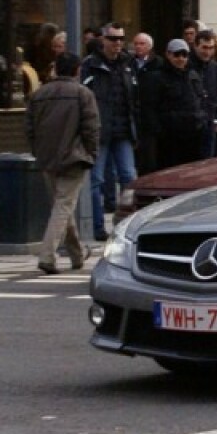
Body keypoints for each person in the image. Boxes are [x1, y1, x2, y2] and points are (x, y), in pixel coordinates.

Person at [26, 52, 99, 275]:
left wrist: (38, 151)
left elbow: (30, 129)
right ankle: (48, 255)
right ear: (77, 70)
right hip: (74, 158)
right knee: (63, 206)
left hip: (47, 158)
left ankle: (77, 255)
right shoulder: (82, 93)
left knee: (61, 205)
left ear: (56, 69)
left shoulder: (39, 94)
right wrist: (92, 153)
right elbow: (91, 128)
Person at [80, 21, 138, 242]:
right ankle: (97, 227)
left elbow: (134, 98)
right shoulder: (91, 65)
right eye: (113, 39)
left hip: (123, 129)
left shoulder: (127, 63)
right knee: (96, 180)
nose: (118, 44)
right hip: (100, 130)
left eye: (121, 39)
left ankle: (126, 225)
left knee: (128, 177)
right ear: (103, 40)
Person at [144, 39, 207, 170]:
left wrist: (202, 119)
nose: (181, 58)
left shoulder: (193, 75)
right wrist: (158, 130)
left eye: (184, 55)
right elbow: (150, 106)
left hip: (194, 133)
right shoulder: (157, 77)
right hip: (170, 136)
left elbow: (201, 99)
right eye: (177, 54)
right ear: (168, 54)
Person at [190, 29, 217, 158]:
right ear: (196, 46)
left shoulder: (216, 69)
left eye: (211, 48)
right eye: (204, 47)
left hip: (210, 124)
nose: (207, 52)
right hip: (191, 125)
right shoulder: (187, 66)